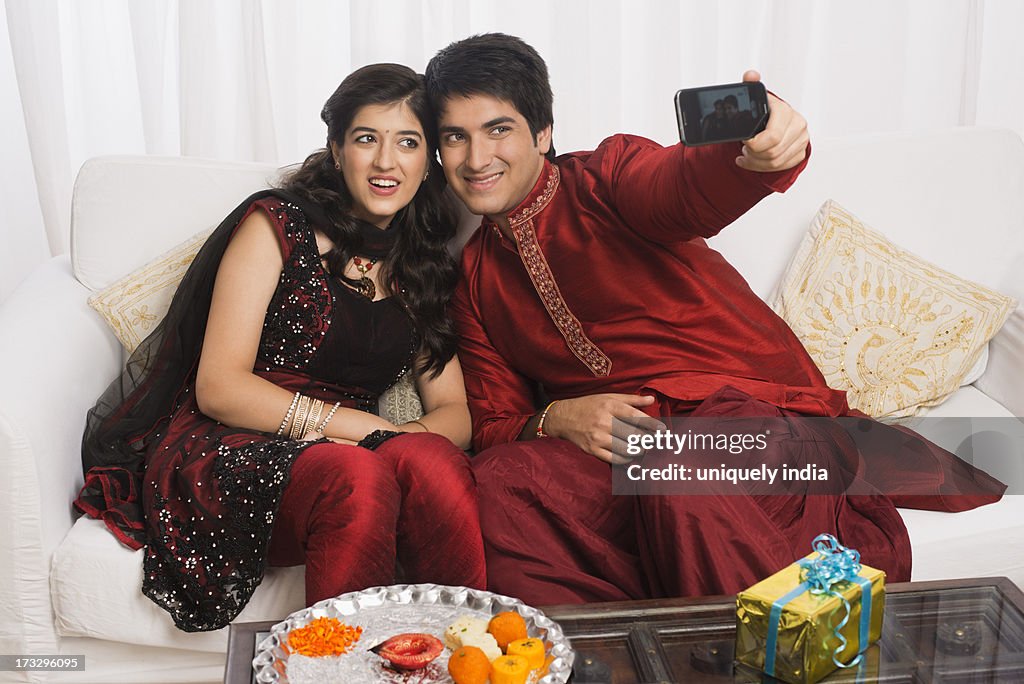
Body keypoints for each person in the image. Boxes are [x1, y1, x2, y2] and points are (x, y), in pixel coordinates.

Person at [424, 33, 1004, 606]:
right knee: (500, 482)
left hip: (755, 426)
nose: (477, 159)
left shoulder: (607, 178)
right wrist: (558, 417)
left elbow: (681, 185)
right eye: (456, 137)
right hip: (634, 456)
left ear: (542, 132)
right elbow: (496, 422)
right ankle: (594, 657)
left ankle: (767, 655)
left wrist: (756, 154)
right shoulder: (474, 279)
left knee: (678, 465)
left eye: (499, 129)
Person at [76, 64, 486, 632]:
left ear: (428, 160)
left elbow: (456, 413)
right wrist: (365, 433)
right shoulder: (277, 226)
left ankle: (469, 649)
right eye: (367, 139)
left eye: (408, 143)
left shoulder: (421, 263)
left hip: (343, 448)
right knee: (359, 477)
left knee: (432, 460)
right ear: (337, 150)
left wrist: (398, 441)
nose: (386, 162)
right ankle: (334, 668)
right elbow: (219, 386)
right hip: (233, 442)